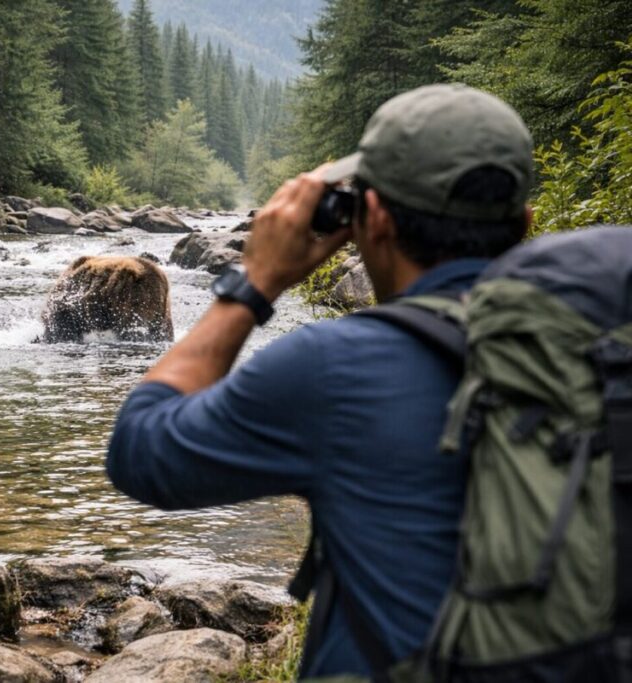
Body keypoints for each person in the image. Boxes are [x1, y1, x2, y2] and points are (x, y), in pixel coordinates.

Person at [106, 84, 534, 678]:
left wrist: (255, 282)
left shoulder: (337, 368)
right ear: (526, 223)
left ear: (370, 219)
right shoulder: (608, 341)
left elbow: (140, 450)